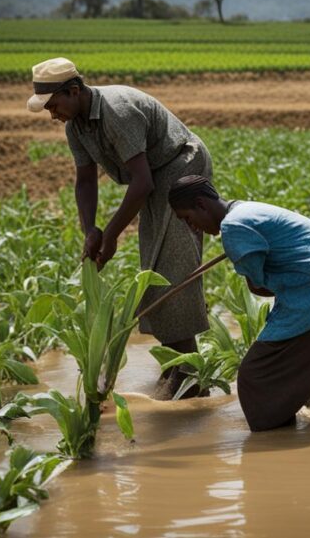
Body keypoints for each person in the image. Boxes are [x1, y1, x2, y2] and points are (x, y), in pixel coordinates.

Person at [27, 57, 212, 398]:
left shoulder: (116, 111)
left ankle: (190, 376)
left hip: (179, 166)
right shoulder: (76, 127)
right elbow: (85, 181)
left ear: (74, 90)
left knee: (171, 268)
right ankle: (176, 367)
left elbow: (140, 183)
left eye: (54, 105)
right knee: (152, 271)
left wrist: (111, 235)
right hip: (156, 176)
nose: (53, 115)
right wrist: (90, 230)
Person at [167, 175, 310, 431]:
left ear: (202, 205)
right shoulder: (244, 209)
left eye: (188, 219)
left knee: (255, 374)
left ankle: (276, 435)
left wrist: (248, 266)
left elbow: (258, 286)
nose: (192, 227)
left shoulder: (234, 227)